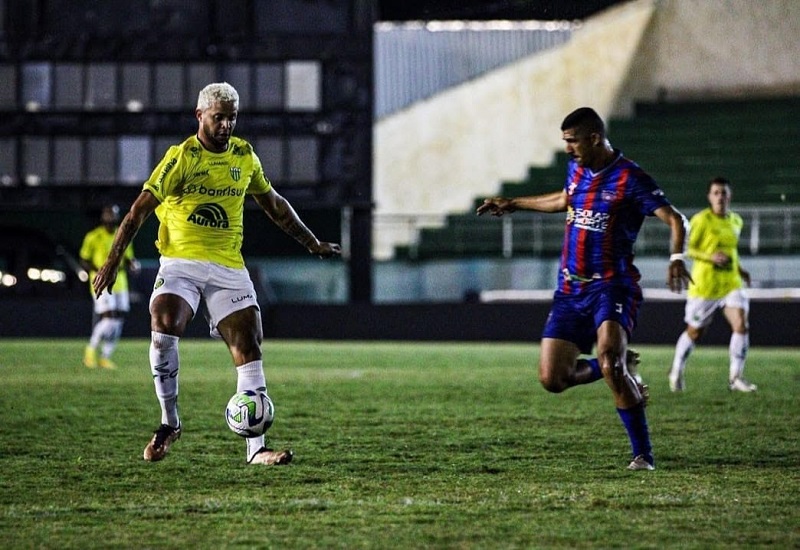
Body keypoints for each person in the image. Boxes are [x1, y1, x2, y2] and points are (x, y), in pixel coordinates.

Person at [92, 82, 341, 466]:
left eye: (232, 117)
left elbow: (274, 205)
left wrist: (312, 243)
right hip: (180, 264)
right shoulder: (181, 158)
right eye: (218, 117)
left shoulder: (244, 157)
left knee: (249, 346)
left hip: (228, 267)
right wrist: (110, 262)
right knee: (163, 325)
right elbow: (136, 212)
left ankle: (256, 449)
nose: (226, 125)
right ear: (200, 116)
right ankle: (169, 424)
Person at [477, 107, 692, 471]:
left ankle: (643, 455)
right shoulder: (578, 168)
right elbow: (565, 199)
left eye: (572, 141)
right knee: (552, 380)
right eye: (565, 142)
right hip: (569, 289)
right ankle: (620, 366)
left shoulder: (629, 178)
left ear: (594, 138)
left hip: (611, 286)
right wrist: (513, 203)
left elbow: (675, 218)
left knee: (610, 360)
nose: (567, 149)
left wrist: (677, 257)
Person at [668, 177, 756, 393]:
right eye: (716, 193)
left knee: (741, 325)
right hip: (704, 286)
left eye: (723, 193)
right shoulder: (701, 220)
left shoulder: (736, 220)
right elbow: (689, 248)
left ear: (729, 196)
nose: (720, 197)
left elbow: (731, 251)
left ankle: (736, 377)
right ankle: (676, 369)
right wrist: (710, 257)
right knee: (695, 332)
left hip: (730, 283)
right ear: (709, 197)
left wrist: (740, 269)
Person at [79, 204, 140, 369]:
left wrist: (133, 264)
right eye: (107, 215)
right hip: (102, 282)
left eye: (112, 215)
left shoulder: (123, 235)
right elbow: (84, 259)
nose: (110, 218)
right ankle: (90, 350)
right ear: (102, 217)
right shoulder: (93, 236)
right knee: (109, 317)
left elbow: (128, 257)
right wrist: (99, 271)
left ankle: (105, 356)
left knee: (118, 320)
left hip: (120, 281)